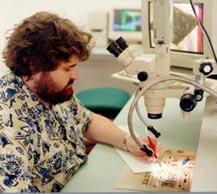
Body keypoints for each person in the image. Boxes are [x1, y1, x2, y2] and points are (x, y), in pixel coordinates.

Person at [0, 12, 159, 192]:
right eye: (68, 68)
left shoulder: (50, 91)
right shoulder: (8, 131)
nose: (76, 75)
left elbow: (88, 121)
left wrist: (128, 141)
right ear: (33, 65)